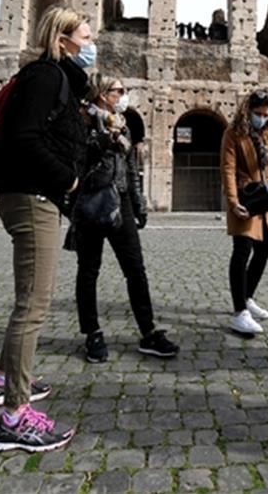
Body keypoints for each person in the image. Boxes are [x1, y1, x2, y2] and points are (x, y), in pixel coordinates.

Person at [0, 5, 93, 453]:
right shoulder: (43, 76)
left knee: (30, 302)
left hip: (33, 196)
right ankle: (14, 418)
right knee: (33, 306)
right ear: (62, 40)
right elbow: (25, 138)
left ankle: (0, 381)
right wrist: (68, 178)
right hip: (33, 197)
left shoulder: (58, 77)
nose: (91, 45)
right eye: (84, 37)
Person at [71, 75, 179, 363]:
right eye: (118, 91)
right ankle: (92, 332)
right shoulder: (82, 120)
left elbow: (130, 168)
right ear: (102, 94)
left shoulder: (123, 124)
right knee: (89, 270)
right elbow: (80, 159)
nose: (123, 95)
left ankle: (148, 332)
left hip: (122, 203)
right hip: (92, 201)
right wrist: (105, 138)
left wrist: (139, 203)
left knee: (135, 269)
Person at [220, 89, 268, 335]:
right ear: (247, 111)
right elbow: (228, 168)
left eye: (266, 115)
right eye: (258, 114)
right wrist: (233, 201)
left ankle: (247, 297)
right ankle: (239, 312)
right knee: (242, 250)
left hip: (263, 202)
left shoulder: (266, 134)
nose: (262, 118)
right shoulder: (233, 134)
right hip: (245, 199)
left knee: (264, 250)